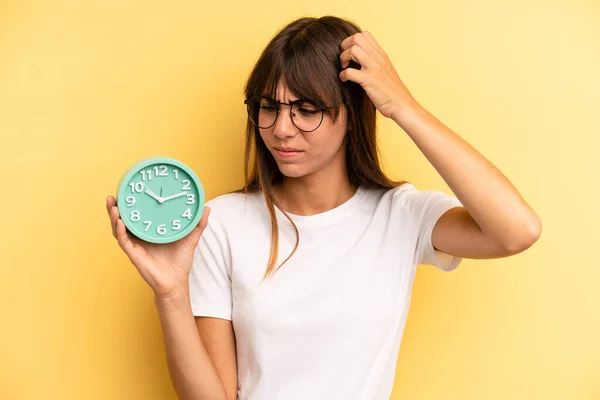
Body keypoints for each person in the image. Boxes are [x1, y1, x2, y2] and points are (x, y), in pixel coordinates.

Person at [105, 15, 541, 400]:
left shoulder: (402, 216)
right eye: (269, 108)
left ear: (351, 111)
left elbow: (518, 230)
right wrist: (171, 295)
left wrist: (402, 105)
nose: (281, 130)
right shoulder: (220, 224)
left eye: (306, 109)